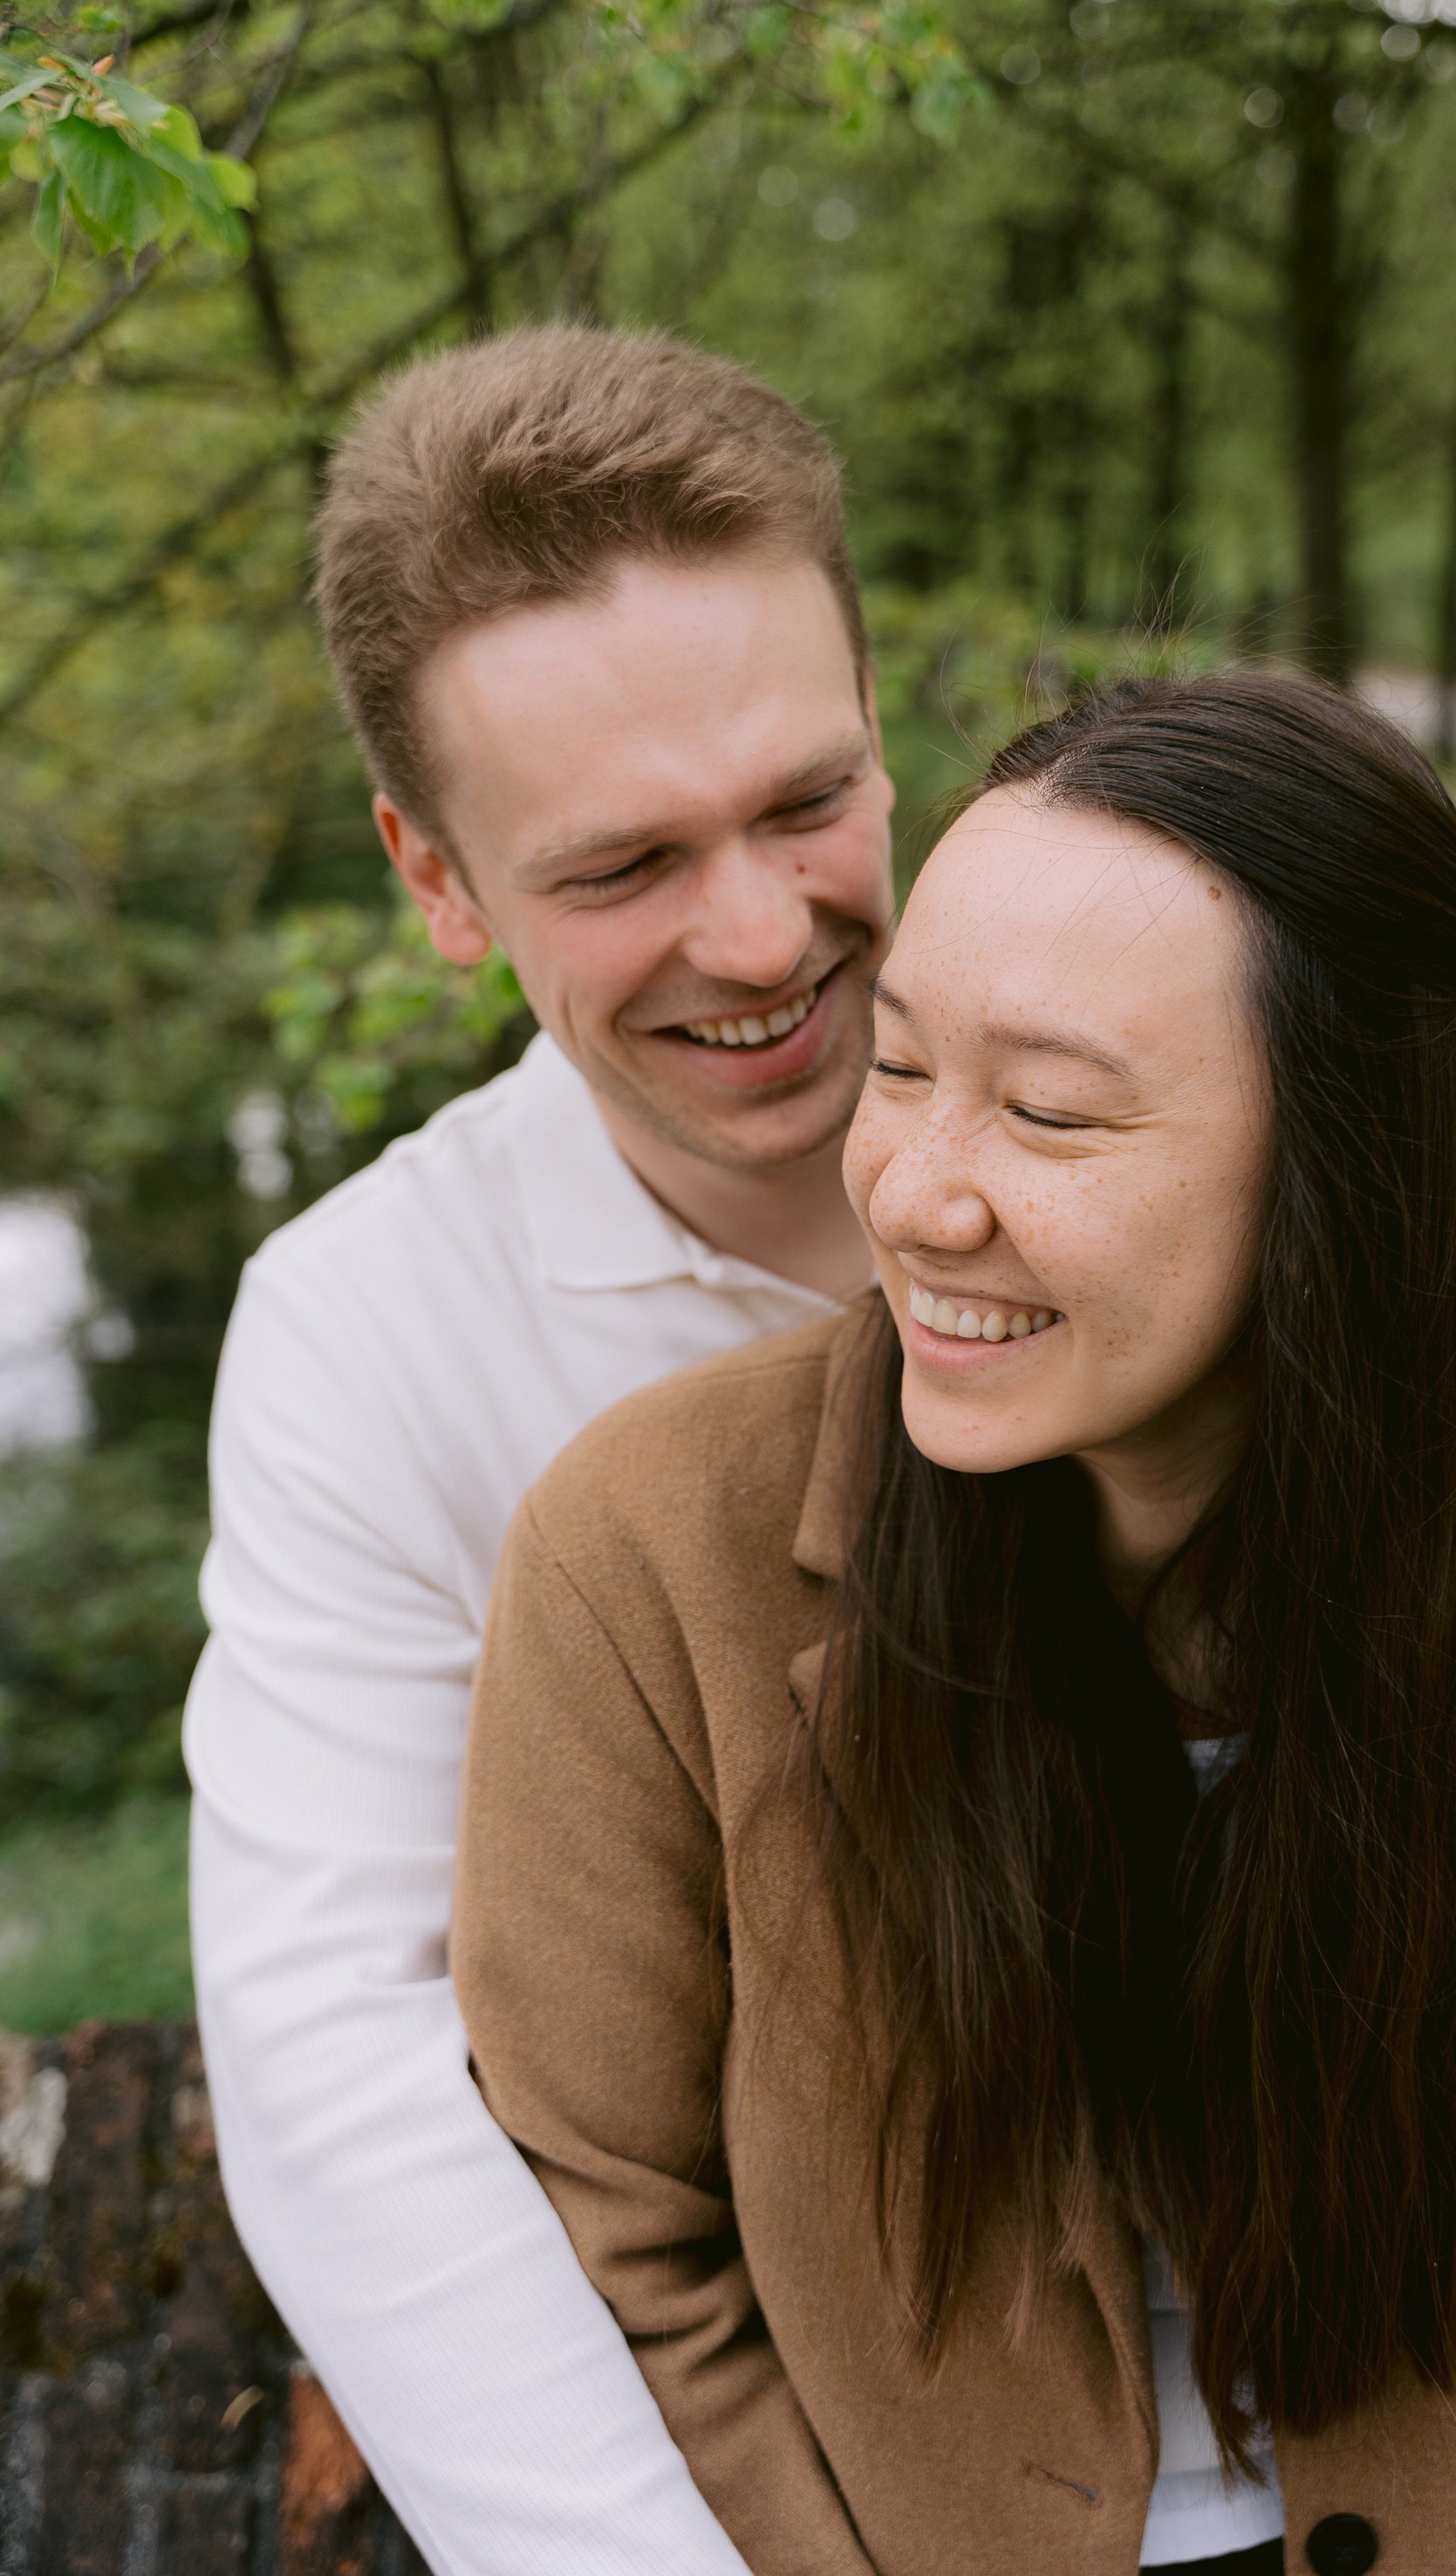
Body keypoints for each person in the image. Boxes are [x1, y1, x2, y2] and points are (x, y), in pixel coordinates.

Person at [453, 672, 1456, 2576]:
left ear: (1338, 1169)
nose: (915, 1187)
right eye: (897, 1066)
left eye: (1047, 1111)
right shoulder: (639, 1563)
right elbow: (620, 2229)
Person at [185, 324, 892, 2574]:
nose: (765, 936)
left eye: (808, 800)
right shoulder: (364, 1333)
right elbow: (342, 2071)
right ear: (436, 877)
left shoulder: (1226, 1130)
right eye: (624, 866)